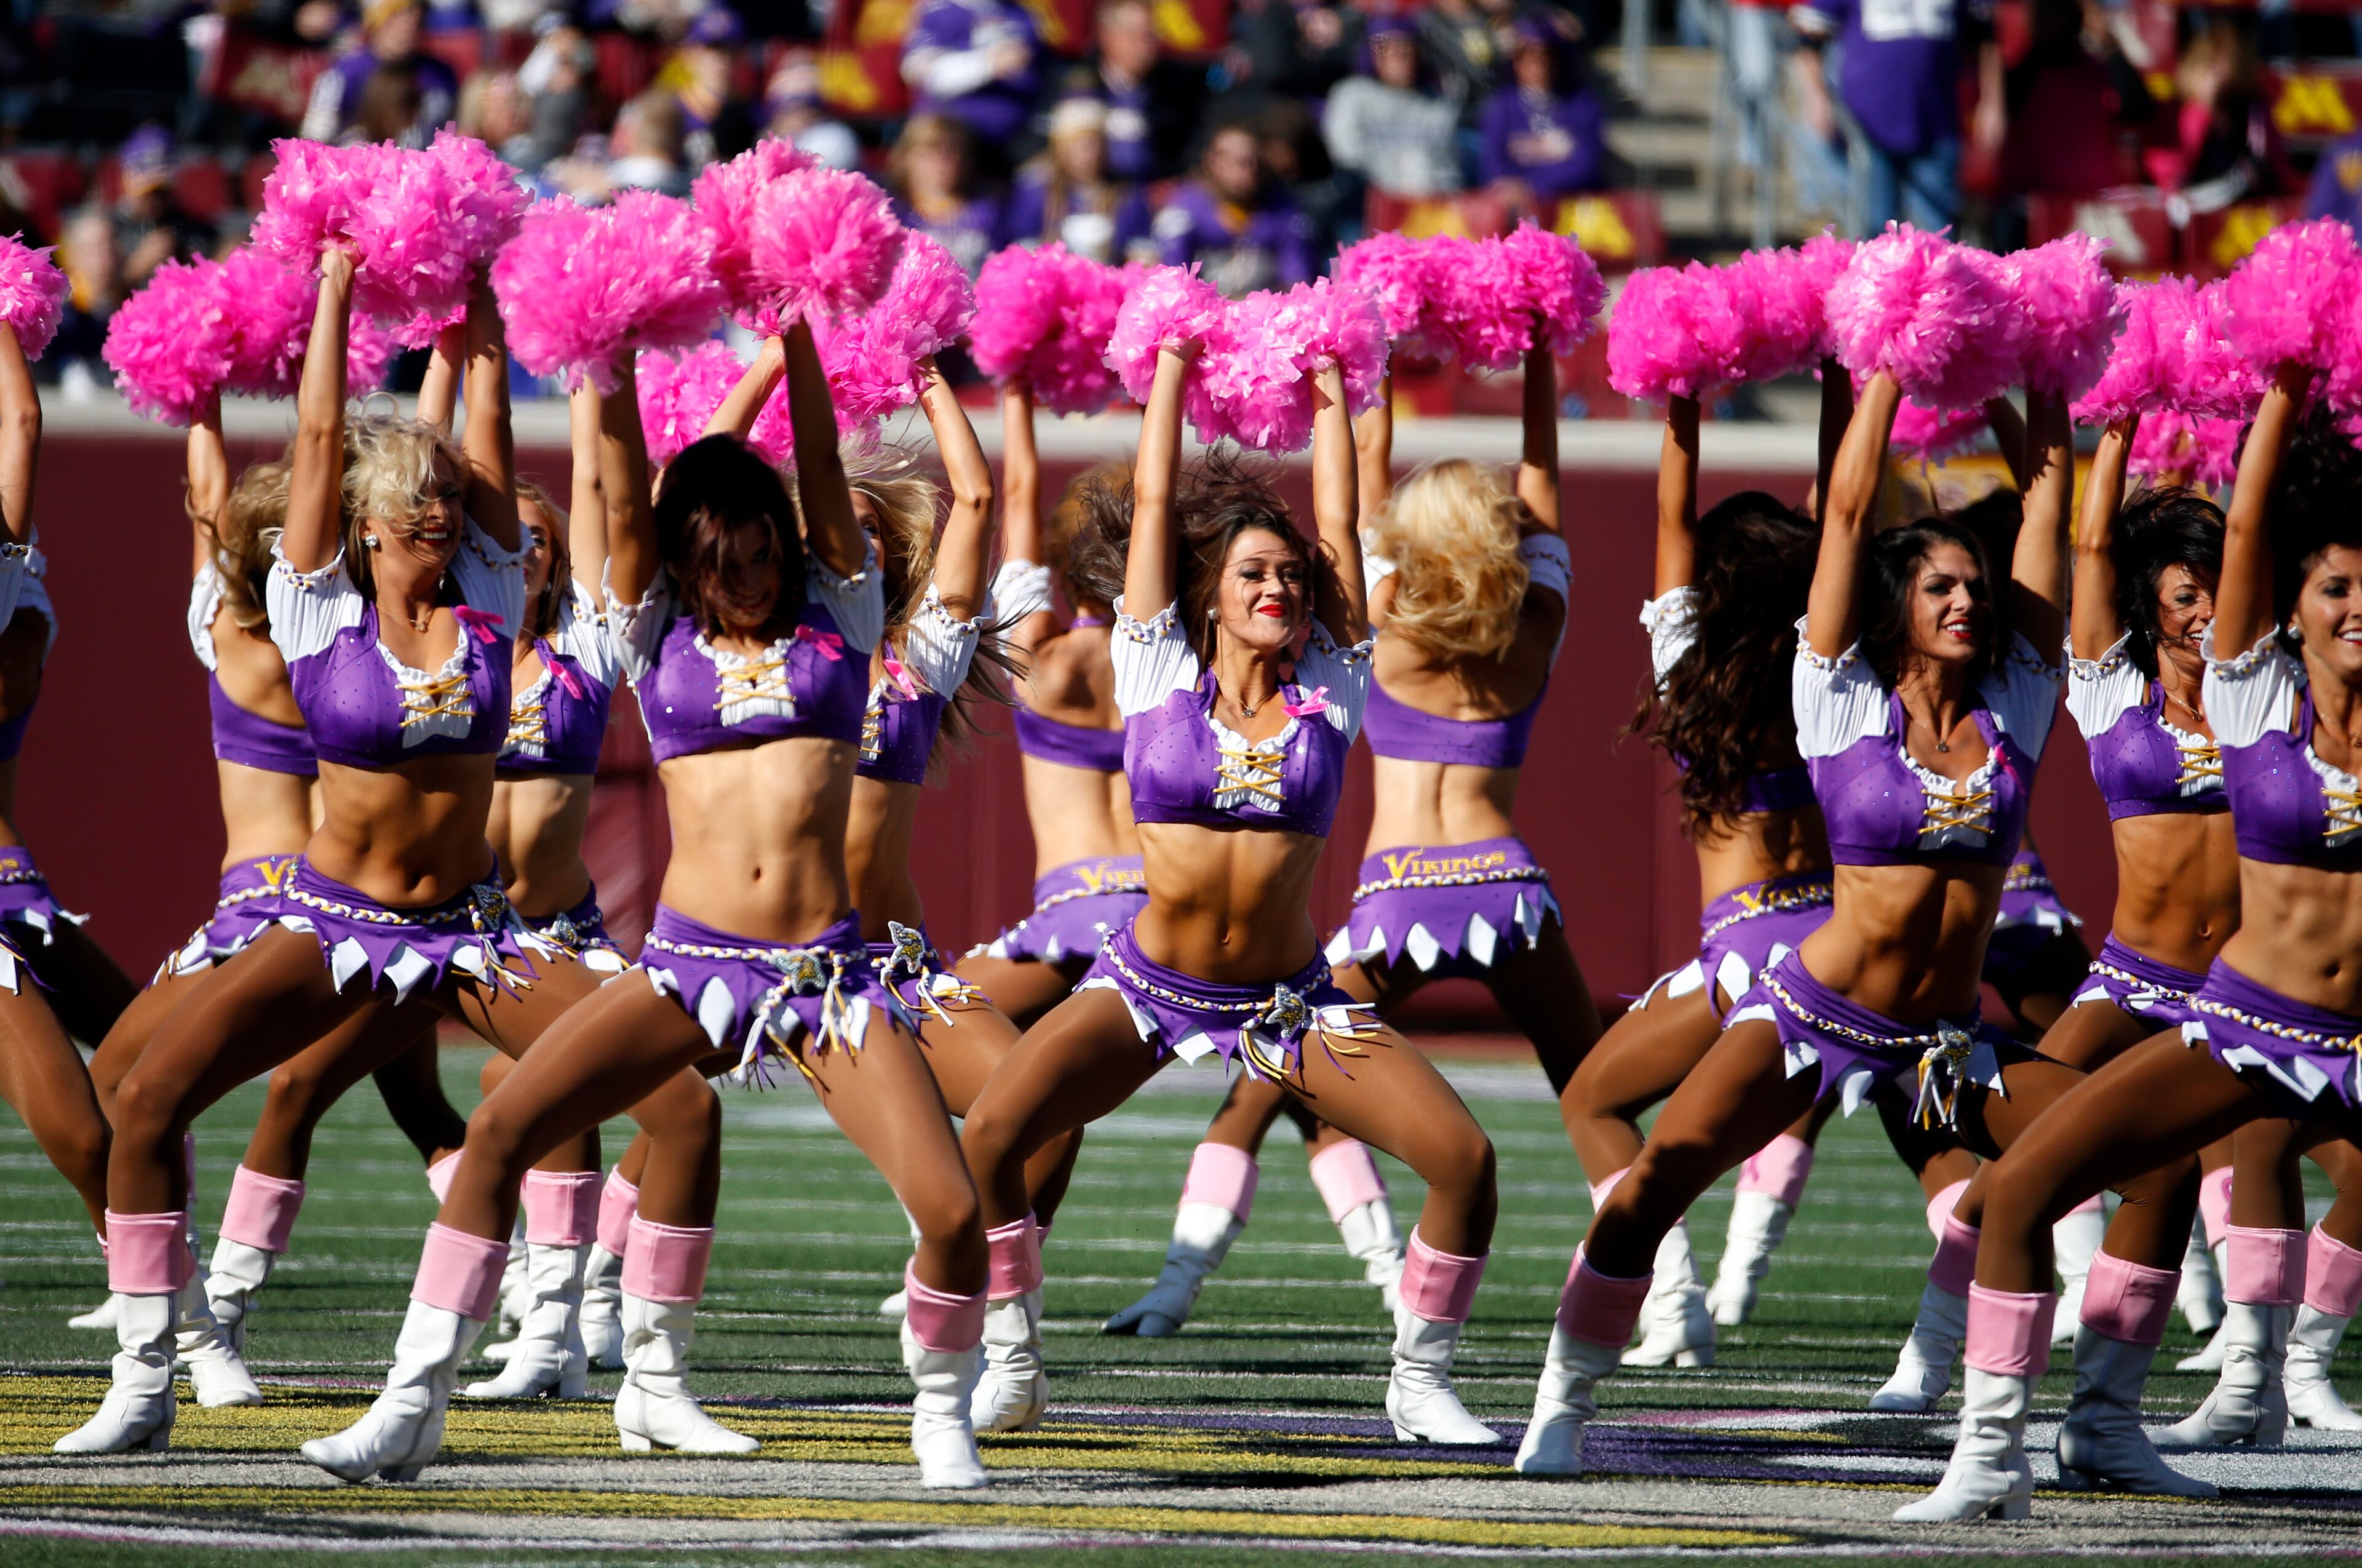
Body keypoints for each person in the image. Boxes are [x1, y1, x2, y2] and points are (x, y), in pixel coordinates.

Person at [302, 323, 995, 1489]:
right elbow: (621, 482)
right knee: (502, 1134)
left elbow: (819, 467)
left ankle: (941, 1411)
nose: (755, 575)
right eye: (729, 556)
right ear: (688, 560)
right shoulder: (656, 632)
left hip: (825, 978)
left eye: (769, 551)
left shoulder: (844, 624)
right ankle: (414, 1400)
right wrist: (602, 355)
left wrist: (802, 337)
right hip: (684, 964)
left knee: (953, 1207)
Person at [55, 261, 610, 1457]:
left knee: (662, 1093)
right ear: (359, 517)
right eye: (411, 497)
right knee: (146, 1099)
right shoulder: (314, 614)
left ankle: (474, 1375)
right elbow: (315, 428)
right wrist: (336, 286)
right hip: (334, 918)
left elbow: (492, 424)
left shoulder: (493, 606)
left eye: (445, 498)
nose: (437, 511)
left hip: (473, 929)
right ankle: (151, 1373)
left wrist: (475, 314)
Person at [1516, 370, 2077, 1478]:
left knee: (2087, 1167)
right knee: (1657, 1177)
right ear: (1889, 607)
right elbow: (1849, 513)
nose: (1966, 601)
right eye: (1939, 589)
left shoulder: (2016, 698)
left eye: (1976, 585)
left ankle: (2023, 1435)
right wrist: (1869, 371)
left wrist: (2036, 385)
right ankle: (1562, 1402)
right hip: (1811, 1000)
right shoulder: (1838, 697)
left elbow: (2050, 521)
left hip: (1938, 1037)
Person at [958, 338, 1506, 1448]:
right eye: (1254, 573)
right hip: (1147, 981)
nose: (1277, 588)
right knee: (994, 1132)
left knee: (1465, 1158)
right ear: (1208, 593)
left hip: (1287, 1000)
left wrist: (1337, 394)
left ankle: (1419, 1372)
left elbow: (1346, 531)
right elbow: (1155, 496)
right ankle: (1013, 1356)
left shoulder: (1333, 687)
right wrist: (1169, 361)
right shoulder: (1156, 667)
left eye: (1290, 578)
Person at [1900, 373, 2362, 1521]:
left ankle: (2201, 1393)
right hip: (2169, 989)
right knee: (2025, 1165)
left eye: (2221, 593)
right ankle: (1955, 1374)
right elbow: (2102, 537)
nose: (2207, 612)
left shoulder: (2293, 691)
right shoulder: (2157, 695)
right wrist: (2114, 420)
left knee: (2217, 1176)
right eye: (2187, 594)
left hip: (2298, 1013)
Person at [1099, 329, 1596, 1343]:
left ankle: (1176, 1283)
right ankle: (1667, 1295)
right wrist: (1540, 348)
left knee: (1254, 1096)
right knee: (1591, 1092)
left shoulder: (1386, 635)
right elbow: (1540, 499)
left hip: (1398, 892)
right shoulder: (1529, 628)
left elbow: (1352, 514)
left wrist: (1353, 384)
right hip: (1508, 882)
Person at [1557, 386, 1835, 1371]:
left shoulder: (1691, 670)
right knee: (1932, 1130)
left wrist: (1682, 387)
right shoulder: (1832, 672)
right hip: (1843, 938)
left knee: (1593, 1102)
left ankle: (1670, 1298)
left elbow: (1672, 515)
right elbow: (1843, 506)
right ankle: (1945, 1347)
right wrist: (1845, 384)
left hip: (1749, 949)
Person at [958, 398, 1143, 1029]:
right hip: (1166, 913)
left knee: (915, 1025)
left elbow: (1016, 489)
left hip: (1074, 912)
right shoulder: (1180, 665)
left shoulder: (1043, 660)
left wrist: (1017, 389)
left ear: (1066, 562)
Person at [1790, 0, 1994, 235]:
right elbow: (1806, 33)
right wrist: (1818, 96)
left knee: (1938, 236)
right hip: (1870, 128)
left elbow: (1986, 35)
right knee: (1877, 235)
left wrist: (1991, 101)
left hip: (1937, 124)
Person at [1152, 123, 1316, 298]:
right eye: (1241, 163)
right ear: (1213, 162)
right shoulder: (1182, 215)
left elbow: (1298, 285)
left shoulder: (1285, 214)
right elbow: (1171, 284)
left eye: (1257, 162)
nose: (1251, 171)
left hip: (1264, 318)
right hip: (1202, 317)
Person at [1000, 97, 1155, 265]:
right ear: (1062, 149)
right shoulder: (1038, 191)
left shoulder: (1125, 192)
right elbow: (1021, 243)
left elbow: (1141, 245)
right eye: (1083, 146)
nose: (1092, 154)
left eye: (1098, 144)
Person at [1321, 17, 1463, 200]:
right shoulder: (1352, 94)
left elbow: (1449, 169)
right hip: (1365, 200)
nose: (1401, 57)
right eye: (1389, 50)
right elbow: (1344, 155)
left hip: (1425, 204)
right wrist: (1396, 174)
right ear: (1373, 56)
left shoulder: (1438, 105)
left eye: (1407, 50)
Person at [1477, 18, 1607, 207]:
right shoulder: (1501, 107)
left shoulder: (1582, 104)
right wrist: (1513, 188)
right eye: (1528, 55)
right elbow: (1493, 164)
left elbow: (1587, 162)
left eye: (1546, 56)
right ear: (1516, 61)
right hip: (1517, 208)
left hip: (1572, 205)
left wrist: (1535, 186)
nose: (1539, 63)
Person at [301, 0, 460, 148]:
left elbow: (452, 132)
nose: (407, 27)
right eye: (395, 19)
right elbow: (316, 137)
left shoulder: (440, 75)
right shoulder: (344, 74)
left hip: (423, 168)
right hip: (355, 167)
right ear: (376, 24)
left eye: (415, 20)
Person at [1083, 0, 1206, 183]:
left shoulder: (1177, 92)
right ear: (1107, 36)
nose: (1148, 44)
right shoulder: (1078, 85)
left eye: (1152, 35)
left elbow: (1186, 154)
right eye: (1137, 35)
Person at [903, 0, 1041, 154]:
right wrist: (987, 65)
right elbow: (925, 76)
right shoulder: (937, 11)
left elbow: (1041, 71)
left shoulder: (1019, 14)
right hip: (950, 142)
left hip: (1017, 140)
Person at [891, 115, 1004, 279]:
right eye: (932, 148)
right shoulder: (892, 213)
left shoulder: (989, 213)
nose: (944, 159)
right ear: (906, 157)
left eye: (954, 149)